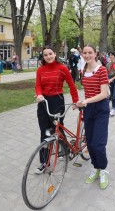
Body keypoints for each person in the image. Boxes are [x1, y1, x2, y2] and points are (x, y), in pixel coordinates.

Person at [35, 46, 79, 174]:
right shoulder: (40, 70)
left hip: (57, 101)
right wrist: (39, 94)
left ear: (55, 54)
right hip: (43, 102)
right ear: (43, 57)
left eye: (50, 54)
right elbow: (38, 85)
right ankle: (44, 162)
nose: (48, 57)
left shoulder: (62, 68)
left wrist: (75, 101)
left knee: (57, 128)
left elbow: (71, 85)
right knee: (44, 132)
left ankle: (65, 149)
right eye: (45, 55)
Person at [75, 44, 110, 190]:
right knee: (89, 143)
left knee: (98, 144)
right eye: (85, 53)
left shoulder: (101, 70)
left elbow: (104, 93)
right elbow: (88, 92)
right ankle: (96, 168)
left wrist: (86, 101)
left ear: (95, 53)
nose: (87, 55)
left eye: (90, 52)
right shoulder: (84, 70)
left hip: (101, 108)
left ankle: (103, 170)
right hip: (89, 109)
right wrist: (80, 103)